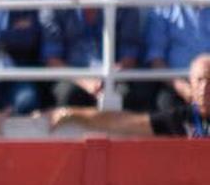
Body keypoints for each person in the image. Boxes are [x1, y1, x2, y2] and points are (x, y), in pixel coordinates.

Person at [40, 0, 145, 109]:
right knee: (67, 95)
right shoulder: (54, 3)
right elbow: (52, 58)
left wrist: (109, 77)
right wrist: (85, 81)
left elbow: (130, 54)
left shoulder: (123, 2)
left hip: (114, 75)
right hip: (74, 78)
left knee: (127, 95)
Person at [48, 52, 210, 137]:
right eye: (199, 81)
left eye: (209, 81)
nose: (204, 89)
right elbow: (126, 122)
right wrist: (73, 114)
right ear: (191, 83)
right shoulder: (181, 118)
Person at [146, 0, 210, 111]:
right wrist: (182, 87)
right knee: (165, 105)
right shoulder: (163, 7)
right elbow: (156, 59)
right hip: (178, 86)